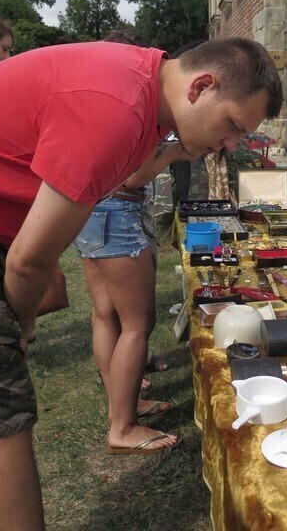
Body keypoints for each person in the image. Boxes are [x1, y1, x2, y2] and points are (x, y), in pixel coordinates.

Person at [0, 37, 283, 530]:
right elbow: (27, 262)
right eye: (233, 126)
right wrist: (19, 328)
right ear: (201, 87)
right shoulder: (117, 110)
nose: (230, 145)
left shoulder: (141, 85)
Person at [74, 32, 201, 441]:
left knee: (104, 313)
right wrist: (175, 154)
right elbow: (131, 178)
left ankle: (122, 404)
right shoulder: (133, 104)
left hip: (91, 210)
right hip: (117, 211)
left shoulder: (100, 97)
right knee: (136, 322)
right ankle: (124, 426)